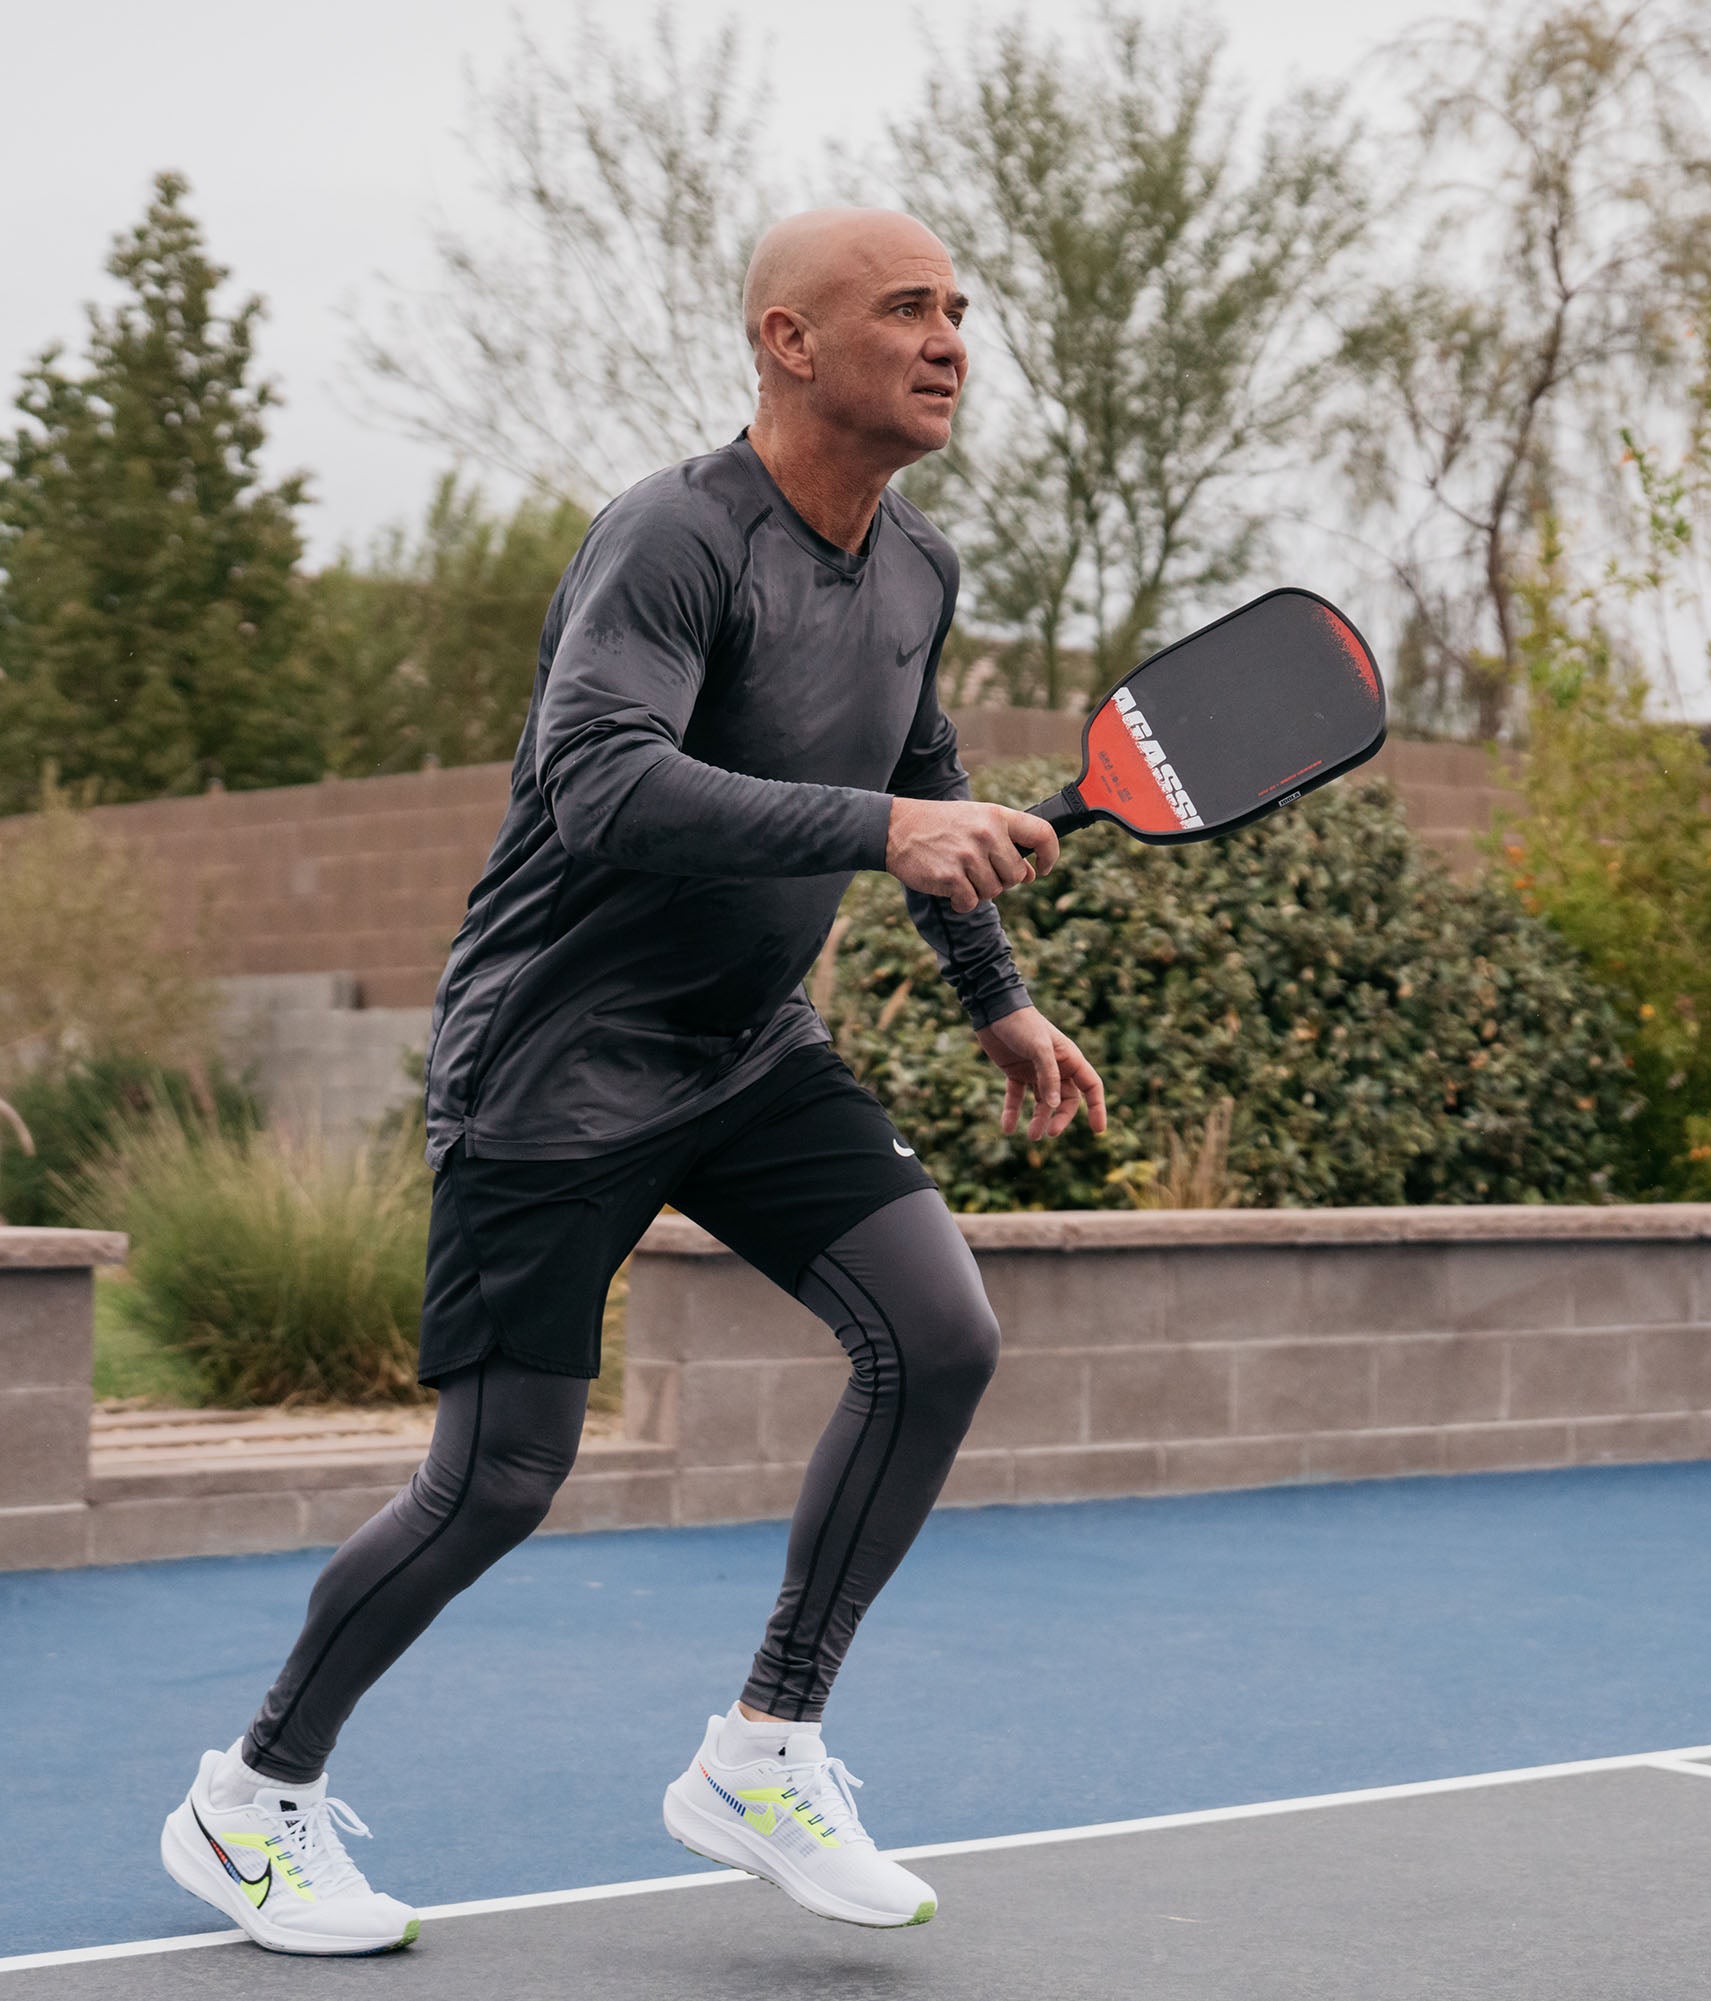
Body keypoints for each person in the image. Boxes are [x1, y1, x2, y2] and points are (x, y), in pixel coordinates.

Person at [159, 206, 1106, 1956]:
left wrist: (998, 998)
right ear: (788, 341)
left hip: (750, 1050)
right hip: (554, 1060)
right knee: (498, 1479)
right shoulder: (671, 538)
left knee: (943, 1336)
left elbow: (925, 768)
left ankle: (765, 1746)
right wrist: (894, 827)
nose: (950, 338)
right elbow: (606, 782)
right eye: (905, 308)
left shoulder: (920, 567)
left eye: (960, 309)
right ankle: (249, 1797)